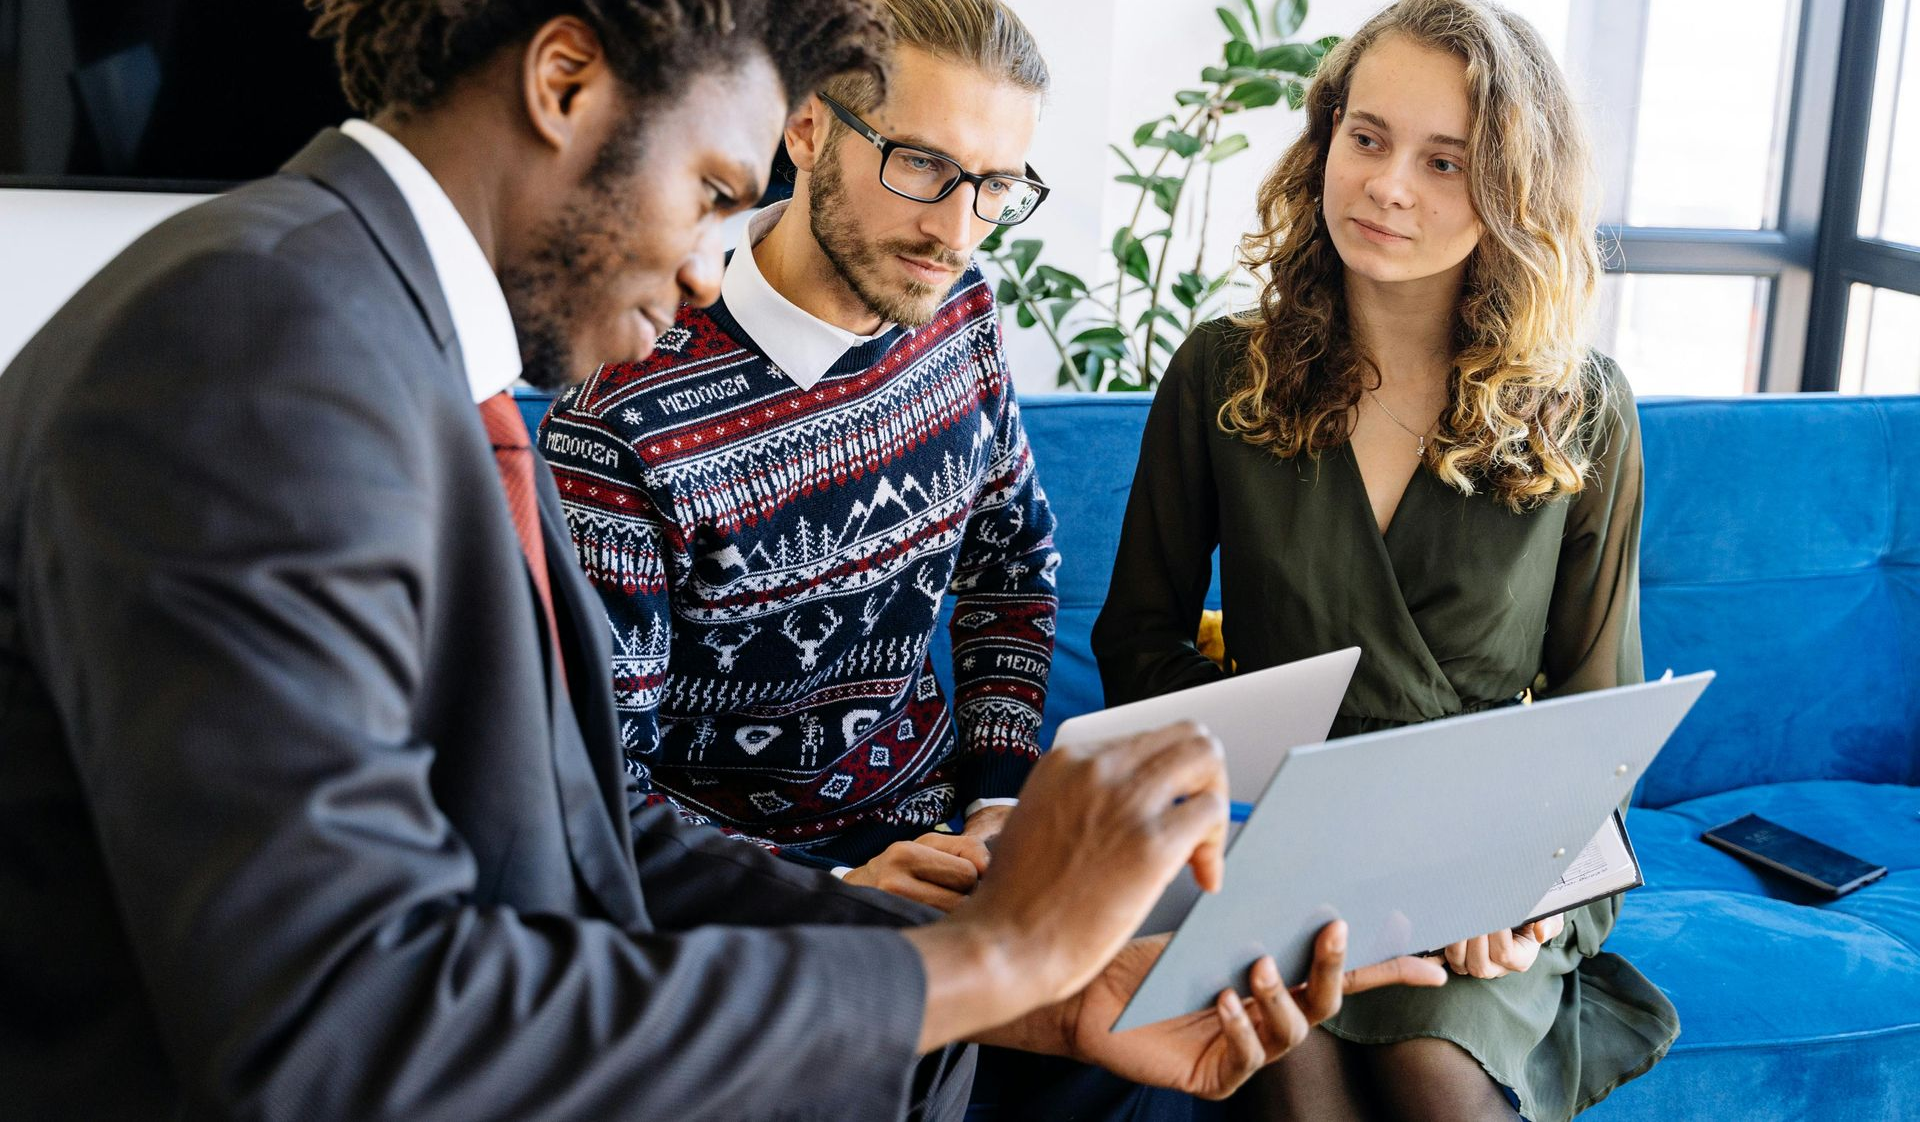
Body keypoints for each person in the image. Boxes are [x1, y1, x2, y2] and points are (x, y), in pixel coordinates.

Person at [0, 1, 1443, 1118]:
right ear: (563, 83)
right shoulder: (252, 343)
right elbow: (341, 1027)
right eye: (708, 186)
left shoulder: (367, 331)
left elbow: (579, 843)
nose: (710, 265)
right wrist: (982, 961)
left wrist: (1032, 986)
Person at [1091, 2, 1680, 1120]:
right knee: (1296, 1082)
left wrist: (1532, 898)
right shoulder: (1224, 371)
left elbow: (1597, 717)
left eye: (1445, 160)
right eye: (1366, 138)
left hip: (1482, 868)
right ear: (1326, 140)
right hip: (1282, 856)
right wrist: (1277, 796)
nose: (1388, 184)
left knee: (1433, 1077)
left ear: (1513, 187)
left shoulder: (1584, 407)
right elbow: (1137, 642)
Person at [540, 0, 1053, 903]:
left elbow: (1012, 566)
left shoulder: (959, 311)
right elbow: (596, 787)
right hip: (760, 908)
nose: (958, 231)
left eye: (995, 186)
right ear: (808, 129)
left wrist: (999, 799)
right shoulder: (620, 420)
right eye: (921, 164)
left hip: (955, 843)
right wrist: (841, 888)